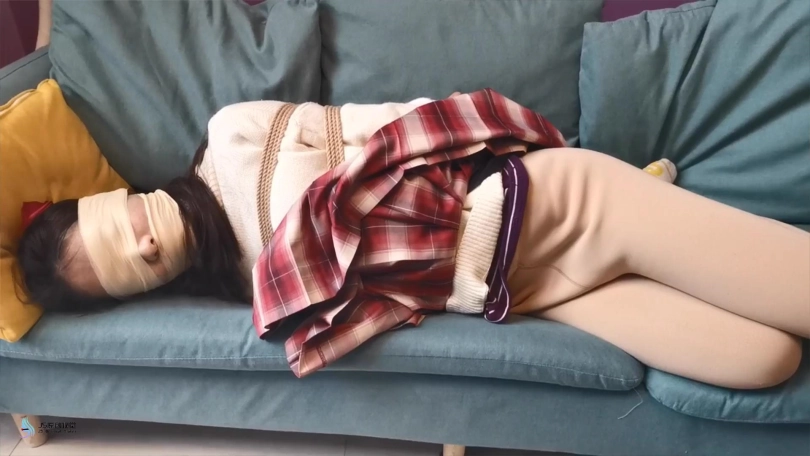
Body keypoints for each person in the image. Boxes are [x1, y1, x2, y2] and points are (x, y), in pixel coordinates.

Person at [16, 92, 809, 388]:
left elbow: (395, 128)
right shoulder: (252, 294)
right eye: (133, 274)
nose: (146, 251)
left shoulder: (232, 140)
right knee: (765, 361)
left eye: (124, 234)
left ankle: (640, 193)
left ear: (115, 200)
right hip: (525, 293)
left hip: (543, 204)